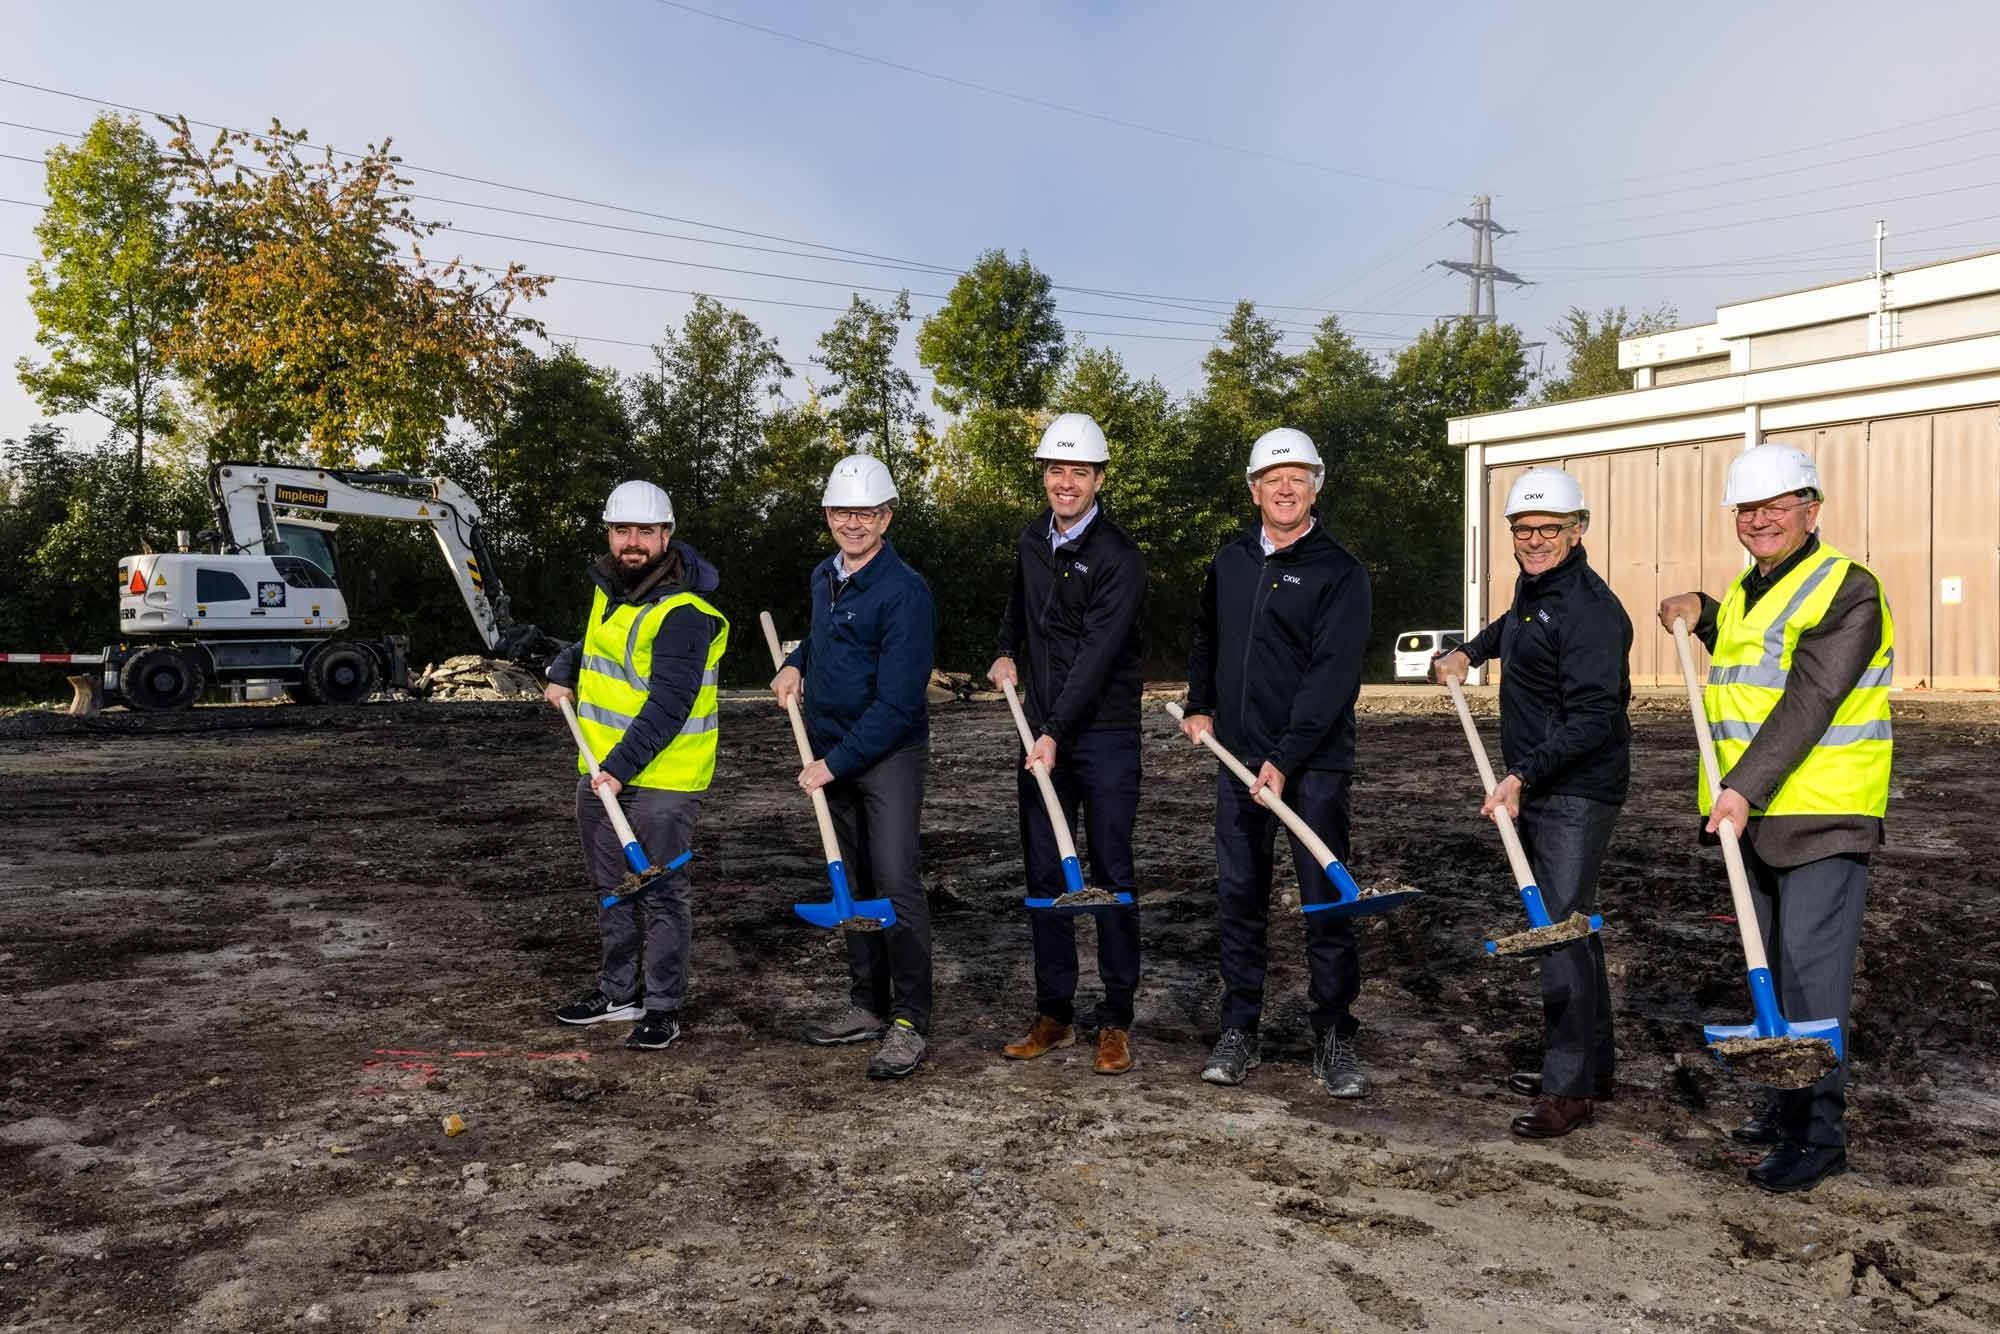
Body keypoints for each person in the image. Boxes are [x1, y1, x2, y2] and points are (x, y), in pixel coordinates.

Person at [1658, 441, 1892, 1195]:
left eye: (1776, 508)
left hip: (1822, 812)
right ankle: (1786, 1105)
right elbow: (1751, 651)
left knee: (1809, 979)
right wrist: (1703, 612)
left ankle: (1820, 1136)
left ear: (1810, 510)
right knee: (1769, 970)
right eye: (1748, 510)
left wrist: (1744, 787)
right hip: (1752, 819)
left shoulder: (1848, 589)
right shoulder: (1755, 585)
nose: (1760, 521)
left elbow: (1810, 696)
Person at [1432, 466, 1631, 1140]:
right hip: (1544, 780)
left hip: (1575, 787)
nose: (1536, 540)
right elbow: (1512, 628)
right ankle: (1590, 1067)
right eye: (1525, 530)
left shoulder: (1592, 612)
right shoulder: (1535, 590)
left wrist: (1523, 775)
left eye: (1550, 529)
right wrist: (1469, 651)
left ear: (1579, 531)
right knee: (1574, 926)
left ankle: (1569, 1092)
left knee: (1557, 933)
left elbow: (1594, 718)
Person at [1180, 427, 1373, 1096]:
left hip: (1313, 764)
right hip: (1236, 756)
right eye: (1273, 477)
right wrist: (1198, 704)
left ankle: (1333, 1037)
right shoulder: (1230, 560)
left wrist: (1286, 759)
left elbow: (1332, 678)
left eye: (1298, 476)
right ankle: (1241, 1027)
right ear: (1255, 488)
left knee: (1324, 898)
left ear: (1316, 485)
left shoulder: (1340, 572)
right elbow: (1206, 633)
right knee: (1239, 896)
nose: (1285, 487)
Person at [544, 480, 729, 1052]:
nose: (632, 541)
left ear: (666, 537)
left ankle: (664, 1004)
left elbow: (671, 702)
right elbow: (598, 646)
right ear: (610, 533)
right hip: (603, 773)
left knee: (662, 892)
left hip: (664, 779)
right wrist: (562, 667)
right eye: (623, 530)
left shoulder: (684, 613)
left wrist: (619, 767)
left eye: (645, 531)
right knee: (612, 889)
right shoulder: (612, 591)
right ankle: (618, 991)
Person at [989, 413, 1147, 1076]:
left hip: (1102, 734)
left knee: (1109, 873)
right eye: (1055, 470)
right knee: (1046, 876)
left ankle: (1114, 1018)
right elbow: (1020, 602)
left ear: (1099, 478)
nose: (1065, 482)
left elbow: (1096, 654)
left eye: (1078, 471)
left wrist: (1054, 731)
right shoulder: (1032, 540)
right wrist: (1004, 650)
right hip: (1044, 729)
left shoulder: (1118, 557)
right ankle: (1055, 1012)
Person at [773, 454, 938, 1081]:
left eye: (866, 512)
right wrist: (796, 662)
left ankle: (910, 1021)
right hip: (831, 749)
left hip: (885, 755)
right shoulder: (825, 576)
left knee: (894, 881)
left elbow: (899, 703)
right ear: (828, 516)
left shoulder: (905, 592)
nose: (854, 522)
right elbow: (824, 640)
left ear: (887, 516)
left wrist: (831, 765)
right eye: (843, 511)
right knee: (855, 881)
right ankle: (867, 1005)